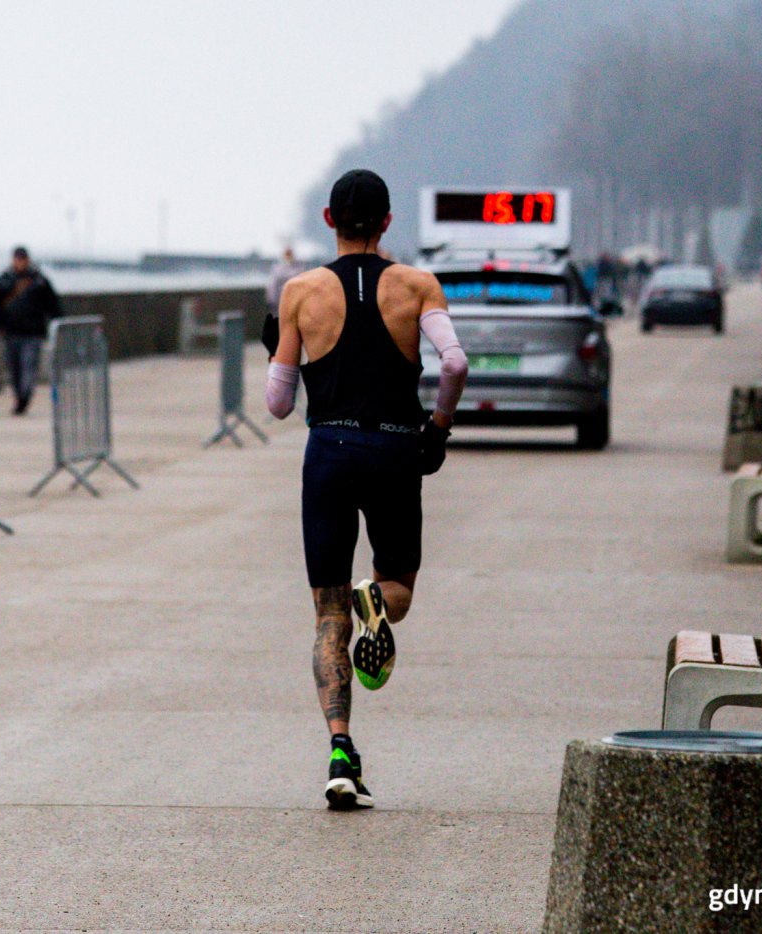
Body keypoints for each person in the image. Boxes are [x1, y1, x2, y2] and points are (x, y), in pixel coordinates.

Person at [266, 169, 468, 810]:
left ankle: (340, 751)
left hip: (327, 452)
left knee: (327, 617)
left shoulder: (301, 290)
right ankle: (372, 598)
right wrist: (435, 429)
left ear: (329, 220)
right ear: (386, 222)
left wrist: (280, 350)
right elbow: (455, 363)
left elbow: (276, 403)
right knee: (397, 591)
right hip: (392, 450)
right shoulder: (416, 285)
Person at [0, 246, 62, 415]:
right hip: (10, 333)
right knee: (14, 369)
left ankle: (25, 396)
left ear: (27, 260)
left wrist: (58, 324)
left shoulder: (39, 281)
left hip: (32, 333)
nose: (20, 262)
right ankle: (19, 397)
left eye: (22, 259)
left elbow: (53, 305)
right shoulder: (4, 280)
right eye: (17, 259)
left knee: (29, 366)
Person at [263, 246, 305, 357]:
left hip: (291, 305)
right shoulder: (280, 268)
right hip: (282, 305)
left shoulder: (296, 267)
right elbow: (272, 286)